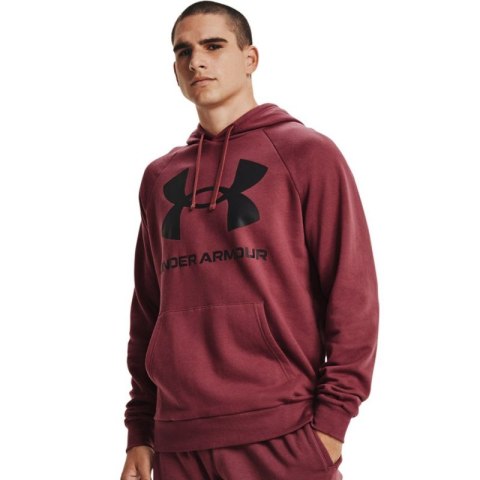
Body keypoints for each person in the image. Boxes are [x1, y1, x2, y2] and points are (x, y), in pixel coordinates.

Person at [120, 2, 379, 479]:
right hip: (178, 441)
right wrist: (140, 430)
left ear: (250, 58)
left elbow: (352, 295)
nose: (196, 61)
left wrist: (331, 425)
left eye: (213, 46)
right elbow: (149, 310)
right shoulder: (160, 178)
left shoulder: (308, 155)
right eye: (183, 51)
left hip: (282, 434)